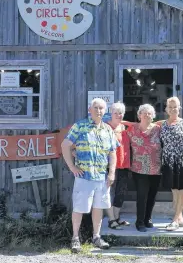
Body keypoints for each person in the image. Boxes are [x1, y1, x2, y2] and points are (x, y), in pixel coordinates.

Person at [61, 98, 119, 253]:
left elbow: (113, 153)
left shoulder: (108, 129)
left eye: (101, 108)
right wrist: (72, 167)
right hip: (84, 176)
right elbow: (65, 145)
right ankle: (75, 238)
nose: (98, 110)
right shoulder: (80, 126)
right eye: (95, 107)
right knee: (79, 208)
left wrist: (111, 172)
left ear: (104, 111)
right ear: (89, 109)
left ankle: (96, 236)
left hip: (101, 176)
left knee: (99, 207)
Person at [158, 97, 183, 231]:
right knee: (174, 191)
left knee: (181, 191)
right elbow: (143, 125)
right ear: (166, 109)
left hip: (181, 161)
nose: (173, 109)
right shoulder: (161, 124)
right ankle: (179, 217)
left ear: (179, 108)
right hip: (168, 161)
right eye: (170, 107)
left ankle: (175, 220)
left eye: (176, 107)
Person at [125, 104, 162, 232]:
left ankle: (148, 219)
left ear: (153, 116)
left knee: (152, 195)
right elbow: (121, 137)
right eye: (144, 113)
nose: (147, 115)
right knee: (142, 195)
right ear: (139, 115)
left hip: (156, 168)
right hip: (138, 168)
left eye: (150, 113)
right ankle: (139, 221)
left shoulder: (158, 129)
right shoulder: (132, 129)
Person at [104, 101, 131, 229]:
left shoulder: (124, 127)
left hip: (124, 163)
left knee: (121, 191)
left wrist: (125, 122)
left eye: (121, 113)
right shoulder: (105, 127)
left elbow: (138, 126)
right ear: (111, 113)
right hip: (108, 165)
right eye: (116, 113)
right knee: (108, 192)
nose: (118, 115)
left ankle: (116, 217)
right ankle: (111, 219)